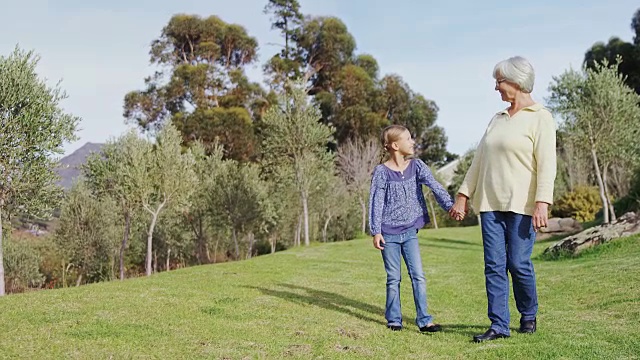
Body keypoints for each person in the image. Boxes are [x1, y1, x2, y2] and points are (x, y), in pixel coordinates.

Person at [451, 56, 557, 342]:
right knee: (494, 265)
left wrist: (542, 202)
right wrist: (463, 194)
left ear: (517, 82)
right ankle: (498, 325)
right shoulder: (496, 119)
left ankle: (529, 313)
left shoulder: (540, 117)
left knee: (518, 263)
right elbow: (478, 160)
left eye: (499, 81)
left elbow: (547, 164)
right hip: (489, 204)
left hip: (522, 205)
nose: (496, 88)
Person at [368, 124, 462, 333]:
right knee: (394, 278)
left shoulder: (417, 166)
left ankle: (424, 320)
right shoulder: (382, 172)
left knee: (418, 275)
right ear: (394, 145)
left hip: (410, 232)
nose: (412, 142)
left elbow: (435, 186)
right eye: (408, 138)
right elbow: (376, 202)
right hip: (388, 234)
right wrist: (376, 231)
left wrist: (450, 206)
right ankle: (394, 319)